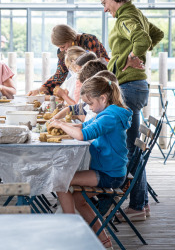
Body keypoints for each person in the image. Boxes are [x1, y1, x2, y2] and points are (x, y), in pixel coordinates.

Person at [98, 0, 164, 221]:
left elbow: (144, 39)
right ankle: (140, 204)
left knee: (127, 150)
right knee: (133, 146)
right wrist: (135, 56)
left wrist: (132, 57)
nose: (105, 8)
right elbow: (156, 33)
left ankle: (135, 206)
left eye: (105, 2)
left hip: (127, 84)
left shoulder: (125, 17)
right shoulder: (135, 14)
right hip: (136, 85)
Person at [49, 76, 131, 249]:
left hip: (110, 174)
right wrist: (63, 124)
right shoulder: (109, 112)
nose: (89, 108)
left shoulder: (110, 117)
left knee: (59, 179)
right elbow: (83, 128)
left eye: (91, 103)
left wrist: (59, 123)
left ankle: (70, 230)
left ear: (103, 98)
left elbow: (81, 135)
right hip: (111, 170)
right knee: (79, 199)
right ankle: (104, 240)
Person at [27, 24, 109, 96]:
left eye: (63, 46)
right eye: (59, 47)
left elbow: (94, 68)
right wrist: (40, 90)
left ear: (70, 38)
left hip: (103, 78)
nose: (61, 50)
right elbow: (60, 75)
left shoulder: (89, 40)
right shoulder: (62, 51)